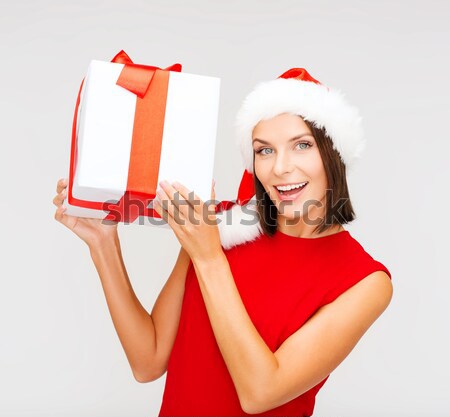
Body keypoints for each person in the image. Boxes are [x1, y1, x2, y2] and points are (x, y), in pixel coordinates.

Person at [53, 67, 393, 416]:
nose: (280, 168)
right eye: (265, 151)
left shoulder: (365, 281)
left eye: (302, 145)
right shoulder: (222, 224)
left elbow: (260, 393)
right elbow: (148, 360)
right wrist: (103, 243)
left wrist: (209, 257)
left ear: (334, 152)